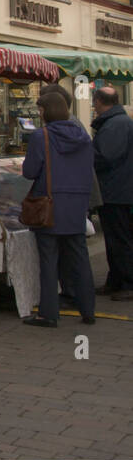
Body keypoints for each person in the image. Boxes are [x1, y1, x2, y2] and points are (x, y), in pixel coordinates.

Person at [21, 93, 96, 327]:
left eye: (40, 109)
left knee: (48, 261)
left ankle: (48, 313)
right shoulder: (84, 137)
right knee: (80, 259)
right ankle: (88, 310)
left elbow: (30, 172)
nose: (39, 114)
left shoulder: (40, 136)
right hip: (76, 205)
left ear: (46, 111)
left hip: (49, 204)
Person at [90, 86, 133, 300]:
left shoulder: (115, 125)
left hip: (117, 191)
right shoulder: (118, 122)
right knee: (115, 239)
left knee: (120, 238)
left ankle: (127, 283)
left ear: (98, 101)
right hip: (119, 189)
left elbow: (106, 156)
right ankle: (116, 280)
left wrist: (86, 154)